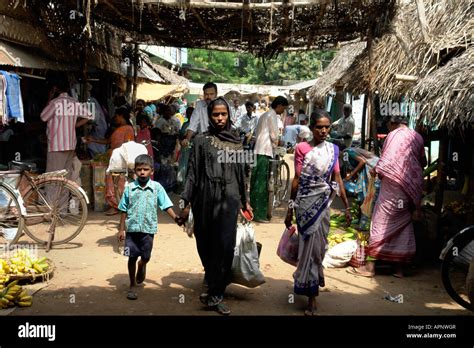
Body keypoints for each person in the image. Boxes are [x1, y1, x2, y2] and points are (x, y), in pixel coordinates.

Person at [179, 97, 253, 315]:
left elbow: (241, 173)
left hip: (228, 200)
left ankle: (216, 292)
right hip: (204, 199)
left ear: (229, 115)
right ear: (209, 116)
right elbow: (192, 173)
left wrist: (244, 199)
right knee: (205, 243)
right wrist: (185, 200)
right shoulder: (201, 141)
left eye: (223, 114)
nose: (220, 118)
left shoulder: (236, 140)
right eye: (215, 115)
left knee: (226, 245)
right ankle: (213, 283)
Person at [284, 109, 351, 316]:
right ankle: (312, 297)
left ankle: (309, 283)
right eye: (319, 127)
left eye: (327, 127)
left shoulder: (333, 149)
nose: (323, 131)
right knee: (308, 249)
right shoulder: (302, 148)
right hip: (305, 205)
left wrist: (347, 206)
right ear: (311, 128)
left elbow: (337, 177)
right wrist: (290, 208)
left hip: (323, 204)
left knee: (318, 249)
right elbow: (296, 179)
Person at [348, 115, 426, 278]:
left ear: (392, 123)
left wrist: (376, 170)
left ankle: (370, 267)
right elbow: (423, 162)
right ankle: (399, 269)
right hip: (410, 190)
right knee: (403, 224)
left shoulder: (393, 135)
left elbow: (386, 161)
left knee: (380, 223)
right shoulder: (417, 136)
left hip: (393, 187)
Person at [118, 154, 183, 300]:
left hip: (148, 229)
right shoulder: (129, 189)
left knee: (146, 256)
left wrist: (176, 218)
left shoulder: (156, 187)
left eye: (145, 169)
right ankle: (132, 285)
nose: (142, 172)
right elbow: (123, 209)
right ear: (135, 171)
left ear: (152, 171)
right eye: (139, 169)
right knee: (131, 257)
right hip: (132, 230)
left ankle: (142, 265)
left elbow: (166, 205)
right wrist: (121, 229)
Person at [40, 76, 92, 183]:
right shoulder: (74, 102)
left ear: (55, 89)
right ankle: (63, 200)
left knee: (53, 178)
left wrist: (49, 98)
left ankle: (52, 200)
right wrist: (75, 125)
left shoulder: (55, 103)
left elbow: (43, 117)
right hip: (70, 146)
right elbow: (89, 115)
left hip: (56, 146)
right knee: (65, 179)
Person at [85, 106, 135, 215]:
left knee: (118, 183)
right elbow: (108, 141)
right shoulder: (119, 128)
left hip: (121, 160)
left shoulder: (128, 129)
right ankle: (115, 204)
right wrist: (93, 140)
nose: (115, 119)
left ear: (122, 116)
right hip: (114, 159)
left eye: (116, 116)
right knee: (112, 182)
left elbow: (128, 145)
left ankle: (118, 206)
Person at [250, 96, 288, 222]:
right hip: (265, 151)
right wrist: (277, 143)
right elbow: (274, 135)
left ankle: (252, 211)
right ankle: (259, 214)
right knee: (262, 184)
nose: (283, 110)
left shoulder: (264, 115)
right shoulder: (272, 116)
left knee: (255, 182)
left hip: (258, 150)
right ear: (279, 105)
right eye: (283, 107)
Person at [182, 82, 218, 147]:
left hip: (219, 142)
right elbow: (193, 124)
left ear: (216, 94)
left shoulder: (223, 106)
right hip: (203, 142)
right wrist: (187, 139)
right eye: (206, 94)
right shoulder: (199, 105)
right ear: (203, 94)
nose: (209, 97)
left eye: (211, 94)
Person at [177, 106, 194, 185]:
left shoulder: (198, 125)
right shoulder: (185, 124)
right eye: (188, 113)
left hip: (193, 148)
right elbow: (180, 135)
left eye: (191, 113)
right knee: (183, 164)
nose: (190, 115)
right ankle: (181, 183)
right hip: (185, 148)